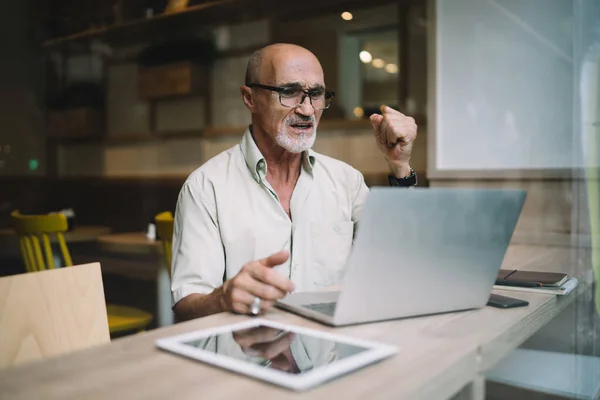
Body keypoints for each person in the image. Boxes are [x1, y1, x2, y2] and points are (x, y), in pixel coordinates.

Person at [171, 43, 418, 321]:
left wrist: (399, 166)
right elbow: (186, 305)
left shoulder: (346, 180)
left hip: (331, 354)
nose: (308, 110)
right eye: (289, 92)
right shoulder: (206, 187)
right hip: (250, 355)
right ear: (249, 98)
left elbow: (399, 262)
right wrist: (223, 298)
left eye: (316, 94)